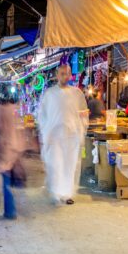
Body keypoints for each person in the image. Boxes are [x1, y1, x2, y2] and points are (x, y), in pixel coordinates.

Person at [38, 63, 89, 205]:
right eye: (62, 73)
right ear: (56, 75)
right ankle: (56, 191)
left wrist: (82, 130)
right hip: (54, 136)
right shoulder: (49, 94)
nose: (65, 76)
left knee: (70, 165)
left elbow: (83, 114)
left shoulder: (77, 93)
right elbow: (42, 115)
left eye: (68, 73)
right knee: (56, 164)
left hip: (72, 135)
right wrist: (45, 133)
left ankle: (67, 193)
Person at [0, 92, 25, 219]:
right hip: (15, 148)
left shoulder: (1, 111)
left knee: (6, 181)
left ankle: (10, 211)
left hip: (6, 148)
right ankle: (11, 209)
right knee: (11, 179)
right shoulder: (15, 110)